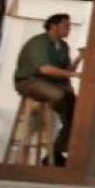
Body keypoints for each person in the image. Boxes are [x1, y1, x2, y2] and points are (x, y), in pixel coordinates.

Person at [13, 12, 79, 165]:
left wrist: (80, 59)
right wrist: (75, 74)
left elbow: (65, 71)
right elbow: (44, 69)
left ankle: (56, 151)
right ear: (53, 26)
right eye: (66, 26)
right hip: (29, 81)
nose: (69, 29)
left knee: (76, 109)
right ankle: (55, 152)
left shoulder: (63, 46)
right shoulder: (39, 42)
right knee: (62, 96)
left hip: (51, 83)